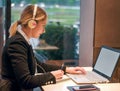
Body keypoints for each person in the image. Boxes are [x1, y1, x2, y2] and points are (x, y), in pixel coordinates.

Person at [1, 4, 86, 91]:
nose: (44, 30)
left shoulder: (23, 41)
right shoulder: (17, 43)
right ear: (32, 24)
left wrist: (66, 69)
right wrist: (52, 75)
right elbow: (25, 81)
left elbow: (38, 66)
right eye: (43, 25)